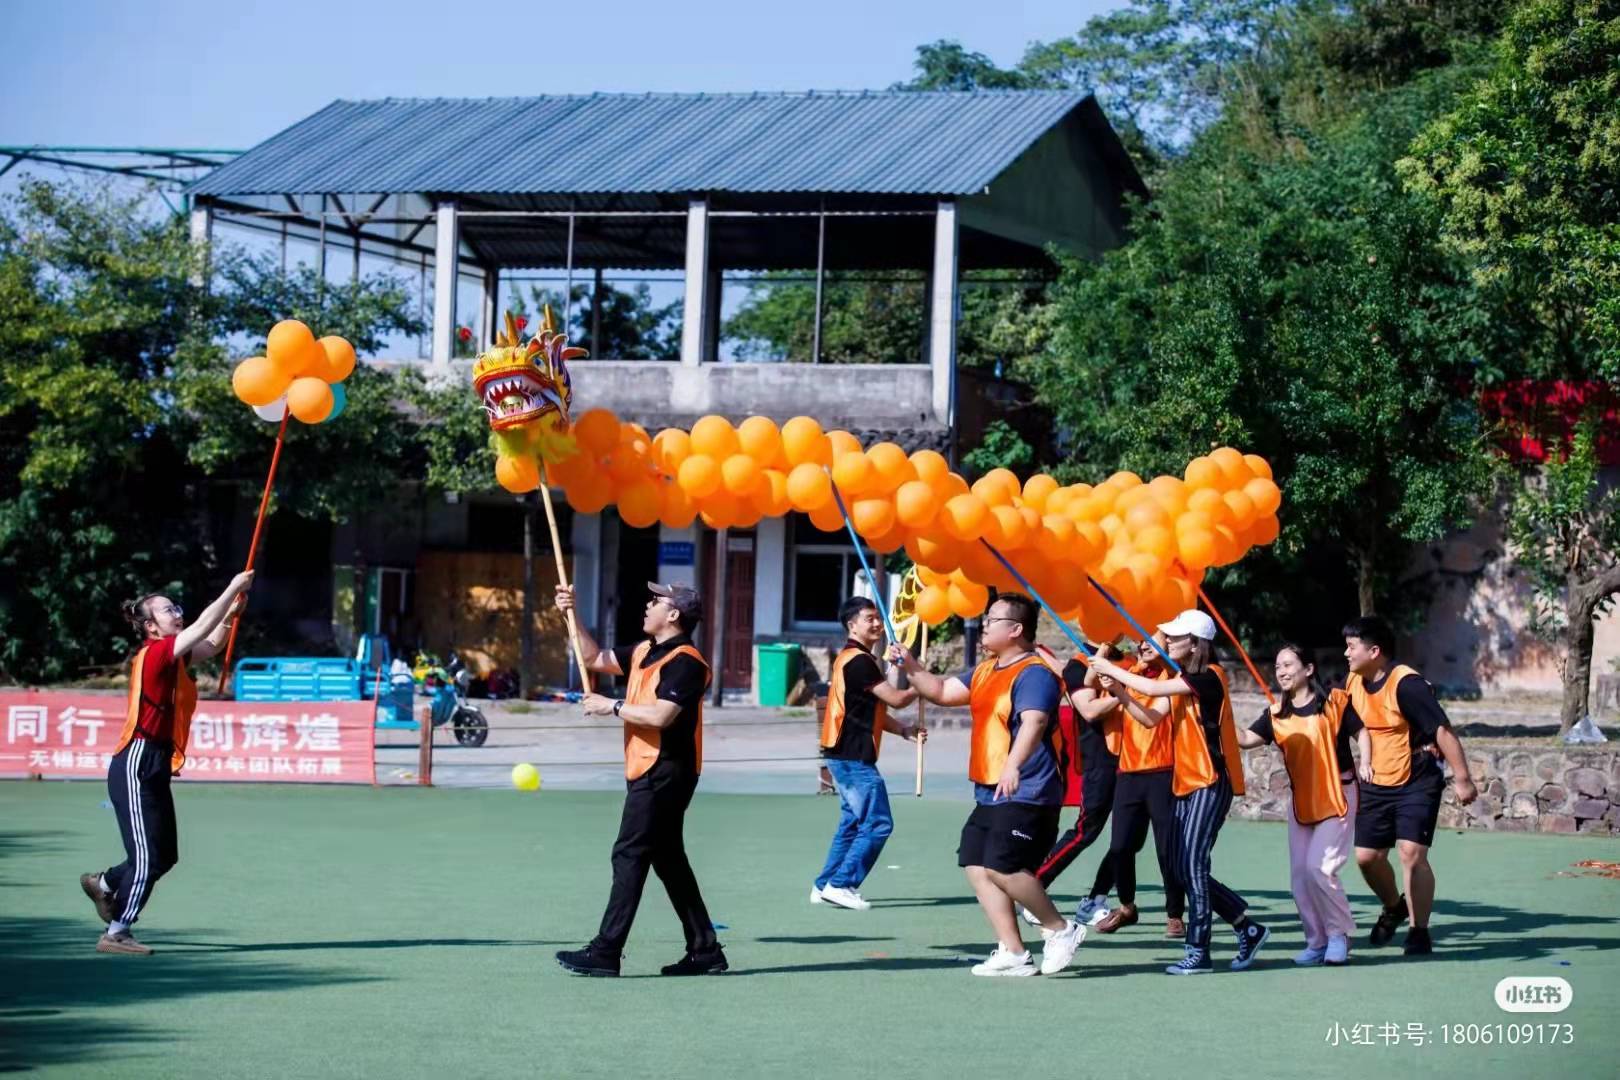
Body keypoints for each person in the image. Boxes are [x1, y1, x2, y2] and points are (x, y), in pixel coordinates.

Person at [890, 593, 1086, 977]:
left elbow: (1034, 722)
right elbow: (941, 692)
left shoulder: (1034, 672)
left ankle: (1061, 929)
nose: (984, 625)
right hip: (990, 789)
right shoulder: (985, 670)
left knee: (1003, 866)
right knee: (976, 863)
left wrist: (1013, 765)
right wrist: (910, 664)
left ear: (1015, 629)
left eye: (992, 619)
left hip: (1028, 789)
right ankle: (1013, 951)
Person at [552, 582, 726, 977]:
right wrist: (570, 614)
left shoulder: (688, 662)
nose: (647, 605)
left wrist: (611, 705)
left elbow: (662, 716)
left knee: (629, 854)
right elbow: (593, 657)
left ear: (674, 614)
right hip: (646, 767)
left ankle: (606, 951)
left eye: (656, 601)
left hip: (668, 771)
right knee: (668, 859)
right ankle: (705, 950)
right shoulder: (645, 650)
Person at [81, 571, 255, 955]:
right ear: (151, 627)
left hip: (157, 761)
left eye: (176, 607)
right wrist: (231, 588)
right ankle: (116, 932)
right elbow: (201, 628)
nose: (176, 613)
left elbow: (211, 643)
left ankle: (105, 884)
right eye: (167, 610)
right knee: (146, 858)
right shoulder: (157, 653)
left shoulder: (174, 655)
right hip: (136, 760)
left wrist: (230, 615)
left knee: (164, 856)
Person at [1092, 610, 1270, 975]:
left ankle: (1198, 950)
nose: (1168, 641)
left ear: (1195, 643)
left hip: (1210, 780)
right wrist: (1120, 693)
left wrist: (1111, 669)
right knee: (1179, 865)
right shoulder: (1180, 679)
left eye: (1175, 636)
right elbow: (1149, 717)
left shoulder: (1209, 676)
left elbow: (1152, 689)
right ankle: (1245, 925)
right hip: (1185, 781)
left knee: (1192, 864)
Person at [1340, 615, 1478, 956]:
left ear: (1374, 651)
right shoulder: (1352, 683)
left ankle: (1419, 931)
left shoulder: (1407, 684)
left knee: (1411, 854)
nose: (1346, 653)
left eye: (1352, 647)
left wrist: (1462, 778)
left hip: (1417, 776)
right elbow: (1339, 724)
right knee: (1367, 858)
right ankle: (1394, 906)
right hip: (1375, 777)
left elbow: (1442, 730)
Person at [1234, 645, 1368, 966]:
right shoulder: (1275, 715)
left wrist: (1367, 761)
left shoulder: (1334, 702)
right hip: (1302, 802)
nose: (1281, 671)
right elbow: (1245, 739)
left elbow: (1361, 732)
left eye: (1288, 664)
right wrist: (1218, 710)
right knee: (1300, 877)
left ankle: (1338, 935)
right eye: (1278, 666)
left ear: (1308, 669)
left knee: (1320, 868)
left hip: (1338, 793)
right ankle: (1317, 941)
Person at [811, 597, 924, 911]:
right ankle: (841, 884)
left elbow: (872, 710)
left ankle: (823, 885)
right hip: (851, 756)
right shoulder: (858, 661)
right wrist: (919, 679)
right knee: (877, 823)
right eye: (869, 618)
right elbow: (897, 699)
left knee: (852, 824)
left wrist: (903, 730)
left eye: (878, 618)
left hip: (844, 753)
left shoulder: (856, 658)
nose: (877, 623)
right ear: (852, 625)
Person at [1021, 642, 1127, 929]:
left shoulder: (1132, 662)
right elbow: (1088, 710)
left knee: (1128, 838)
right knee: (1086, 830)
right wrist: (1126, 693)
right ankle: (1035, 887)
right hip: (1101, 760)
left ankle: (1096, 899)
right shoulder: (1079, 664)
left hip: (1137, 760)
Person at [1091, 633, 1187, 938]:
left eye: (1152, 641)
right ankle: (1127, 907)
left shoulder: (1173, 678)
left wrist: (1119, 687)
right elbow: (1090, 684)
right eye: (1141, 640)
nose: (1144, 645)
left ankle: (1175, 914)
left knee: (1167, 849)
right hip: (1128, 772)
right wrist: (1104, 649)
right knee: (1120, 847)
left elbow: (1149, 718)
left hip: (1164, 772)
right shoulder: (1129, 671)